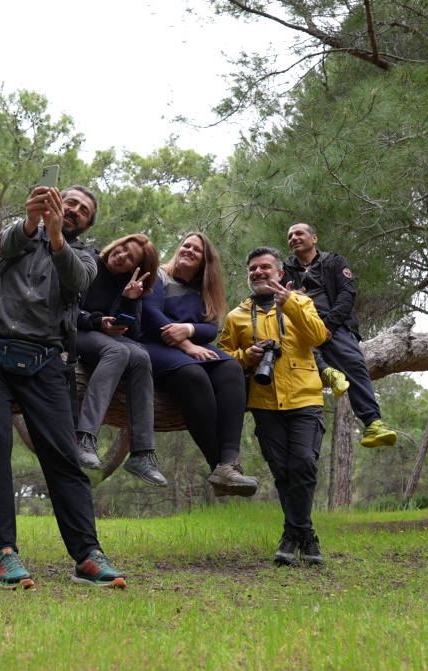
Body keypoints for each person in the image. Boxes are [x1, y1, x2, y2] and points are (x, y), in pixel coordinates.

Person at [0, 183, 125, 589]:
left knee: (63, 457)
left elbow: (78, 281)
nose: (73, 210)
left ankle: (88, 555)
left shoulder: (87, 258)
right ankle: (4, 553)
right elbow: (5, 246)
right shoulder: (20, 233)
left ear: (87, 223)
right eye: (69, 202)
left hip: (47, 360)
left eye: (83, 210)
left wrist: (56, 236)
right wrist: (33, 219)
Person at [219, 247, 332, 565]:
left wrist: (292, 304)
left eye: (265, 267)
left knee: (304, 463)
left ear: (280, 273)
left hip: (304, 397)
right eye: (253, 268)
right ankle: (305, 537)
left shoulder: (302, 302)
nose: (258, 272)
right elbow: (222, 357)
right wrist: (246, 356)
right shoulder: (236, 316)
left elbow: (318, 337)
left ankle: (292, 535)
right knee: (283, 472)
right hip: (263, 402)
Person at [140, 231, 258, 497]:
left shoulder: (204, 289)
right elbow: (150, 313)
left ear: (205, 262)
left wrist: (189, 330)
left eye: (196, 250)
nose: (188, 251)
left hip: (189, 345)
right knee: (193, 374)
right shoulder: (158, 275)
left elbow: (210, 328)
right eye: (186, 245)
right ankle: (218, 467)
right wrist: (187, 345)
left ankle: (229, 463)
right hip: (151, 343)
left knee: (230, 368)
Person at [282, 222, 399, 448]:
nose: (294, 238)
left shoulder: (334, 262)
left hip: (336, 327)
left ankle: (373, 423)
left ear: (314, 238)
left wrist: (328, 326)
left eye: (299, 233)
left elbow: (347, 293)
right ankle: (328, 371)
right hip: (300, 328)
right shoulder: (286, 270)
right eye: (290, 236)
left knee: (355, 363)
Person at [73, 233, 168, 487]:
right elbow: (64, 307)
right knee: (120, 352)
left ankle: (142, 453)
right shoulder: (87, 260)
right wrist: (95, 321)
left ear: (136, 268)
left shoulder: (130, 283)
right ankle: (84, 437)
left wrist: (128, 299)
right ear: (116, 243)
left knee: (140, 355)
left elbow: (133, 333)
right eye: (123, 248)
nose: (122, 255)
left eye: (130, 258)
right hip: (74, 331)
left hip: (104, 339)